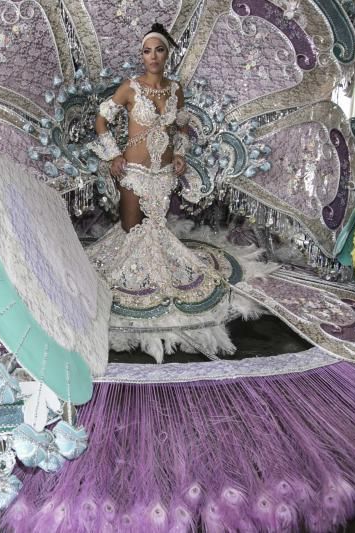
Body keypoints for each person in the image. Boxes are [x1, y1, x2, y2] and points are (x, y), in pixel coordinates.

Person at [85, 23, 266, 362]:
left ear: (168, 54)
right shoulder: (130, 88)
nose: (152, 56)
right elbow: (101, 119)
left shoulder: (176, 89)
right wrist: (112, 155)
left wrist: (180, 154)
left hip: (164, 174)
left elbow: (181, 126)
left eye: (159, 50)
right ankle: (130, 287)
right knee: (129, 231)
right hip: (134, 171)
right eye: (146, 51)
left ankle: (160, 284)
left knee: (156, 231)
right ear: (142, 56)